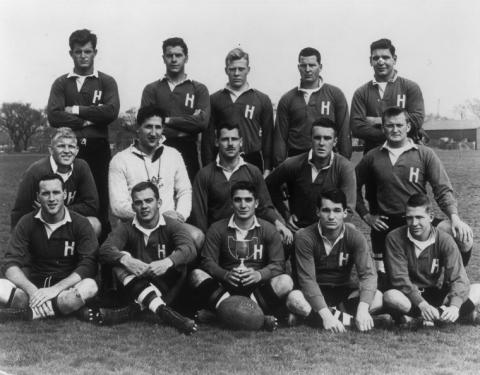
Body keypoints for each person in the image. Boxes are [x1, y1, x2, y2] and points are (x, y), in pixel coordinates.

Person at [356, 106, 473, 289]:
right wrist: (366, 216)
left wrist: (455, 217)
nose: (395, 130)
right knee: (388, 286)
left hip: (419, 220)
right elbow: (351, 188)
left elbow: (442, 188)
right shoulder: (372, 157)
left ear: (408, 126)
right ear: (383, 128)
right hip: (387, 225)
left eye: (399, 125)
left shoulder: (424, 153)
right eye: (390, 126)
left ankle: (455, 283)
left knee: (463, 237)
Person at [190, 181, 294, 330]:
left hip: (256, 290)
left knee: (285, 281)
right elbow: (207, 262)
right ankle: (259, 319)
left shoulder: (268, 229)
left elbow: (278, 265)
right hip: (226, 289)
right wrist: (225, 274)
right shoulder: (217, 228)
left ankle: (217, 317)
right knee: (196, 275)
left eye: (248, 200)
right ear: (232, 203)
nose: (243, 205)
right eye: (238, 200)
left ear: (256, 203)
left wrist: (259, 274)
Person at [98, 181, 200, 334]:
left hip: (166, 286)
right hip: (136, 284)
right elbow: (105, 249)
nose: (144, 206)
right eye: (138, 203)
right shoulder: (126, 227)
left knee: (180, 261)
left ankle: (128, 312)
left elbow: (189, 249)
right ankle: (165, 313)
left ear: (159, 203)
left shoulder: (172, 225)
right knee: (120, 259)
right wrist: (127, 260)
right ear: (133, 207)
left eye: (149, 201)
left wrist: (168, 261)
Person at [47, 29, 120, 239]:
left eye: (87, 51)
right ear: (71, 53)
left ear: (95, 52)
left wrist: (76, 110)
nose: (83, 56)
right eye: (78, 51)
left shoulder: (106, 81)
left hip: (98, 150)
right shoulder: (62, 82)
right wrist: (90, 119)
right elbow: (54, 116)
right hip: (69, 150)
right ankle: (67, 254)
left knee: (99, 204)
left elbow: (111, 112)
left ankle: (105, 265)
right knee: (68, 201)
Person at [0, 174, 98, 321]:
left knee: (90, 286)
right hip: (32, 289)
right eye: (46, 193)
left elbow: (89, 265)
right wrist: (32, 290)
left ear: (64, 194)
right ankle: (57, 309)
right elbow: (10, 263)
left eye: (56, 192)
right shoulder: (26, 222)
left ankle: (29, 313)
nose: (51, 199)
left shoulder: (81, 223)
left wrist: (55, 289)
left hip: (65, 290)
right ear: (38, 197)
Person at [286, 189, 386, 332]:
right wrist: (326, 316)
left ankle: (310, 318)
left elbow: (368, 275)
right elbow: (307, 280)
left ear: (345, 213)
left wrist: (363, 309)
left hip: (342, 293)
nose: (331, 216)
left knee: (378, 297)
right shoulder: (304, 236)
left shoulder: (355, 236)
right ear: (317, 212)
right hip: (313, 292)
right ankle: (349, 321)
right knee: (294, 298)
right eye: (326, 210)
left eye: (337, 210)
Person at [383, 193, 480, 326]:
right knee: (390, 296)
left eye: (419, 217)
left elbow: (458, 277)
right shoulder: (394, 238)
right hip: (410, 296)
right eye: (409, 218)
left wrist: (455, 306)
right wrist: (422, 304)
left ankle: (423, 319)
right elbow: (399, 279)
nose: (414, 223)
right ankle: (439, 317)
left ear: (431, 217)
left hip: (435, 293)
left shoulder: (444, 239)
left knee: (478, 289)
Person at [191, 123, 292, 244]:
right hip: (218, 238)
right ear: (217, 142)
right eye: (225, 139)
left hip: (249, 235)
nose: (230, 144)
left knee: (282, 238)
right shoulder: (204, 175)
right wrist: (210, 243)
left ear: (241, 142)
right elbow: (199, 216)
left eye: (234, 139)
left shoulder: (253, 172)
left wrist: (279, 224)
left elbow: (265, 207)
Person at [266, 118, 356, 232]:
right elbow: (267, 186)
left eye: (327, 138)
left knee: (351, 230)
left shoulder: (344, 167)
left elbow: (348, 210)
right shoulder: (293, 164)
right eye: (317, 138)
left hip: (330, 232)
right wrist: (285, 214)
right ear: (311, 139)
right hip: (299, 230)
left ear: (335, 141)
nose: (321, 143)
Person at [141, 37, 210, 181]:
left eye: (178, 55)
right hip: (159, 148)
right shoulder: (151, 89)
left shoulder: (199, 89)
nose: (174, 59)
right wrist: (188, 124)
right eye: (169, 55)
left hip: (188, 150)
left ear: (186, 58)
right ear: (163, 58)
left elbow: (202, 123)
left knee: (188, 196)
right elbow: (146, 124)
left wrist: (165, 120)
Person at [11, 127, 100, 236]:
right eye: (61, 146)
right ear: (51, 150)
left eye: (71, 146)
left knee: (94, 223)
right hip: (41, 225)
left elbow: (92, 206)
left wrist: (56, 210)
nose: (67, 151)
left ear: (77, 150)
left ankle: (82, 253)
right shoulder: (35, 171)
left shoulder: (82, 167)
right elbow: (20, 211)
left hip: (68, 221)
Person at [109, 106, 191, 224]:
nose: (153, 133)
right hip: (135, 225)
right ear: (138, 128)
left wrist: (180, 216)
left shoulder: (174, 155)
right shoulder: (120, 160)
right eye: (148, 126)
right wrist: (155, 219)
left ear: (163, 128)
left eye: (158, 127)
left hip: (170, 224)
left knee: (196, 236)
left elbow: (184, 191)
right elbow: (118, 207)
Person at [272, 47, 351, 166]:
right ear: (299, 68)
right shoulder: (287, 99)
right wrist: (280, 166)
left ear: (320, 67)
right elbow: (280, 138)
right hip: (296, 159)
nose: (308, 69)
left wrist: (344, 163)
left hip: (328, 159)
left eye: (312, 65)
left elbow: (344, 131)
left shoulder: (335, 94)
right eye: (304, 66)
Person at [201, 48, 274, 176]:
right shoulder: (214, 99)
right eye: (232, 69)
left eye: (241, 69)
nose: (236, 73)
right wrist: (208, 168)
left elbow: (268, 137)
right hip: (223, 160)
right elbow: (207, 139)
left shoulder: (262, 99)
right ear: (226, 70)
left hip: (252, 159)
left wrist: (267, 168)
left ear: (248, 70)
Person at [350, 38, 425, 153]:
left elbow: (417, 120)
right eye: (376, 58)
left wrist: (377, 121)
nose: (380, 61)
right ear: (370, 61)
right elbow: (357, 127)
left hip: (407, 152)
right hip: (374, 154)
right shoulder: (361, 92)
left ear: (394, 59)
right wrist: (398, 130)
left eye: (385, 57)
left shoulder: (410, 87)